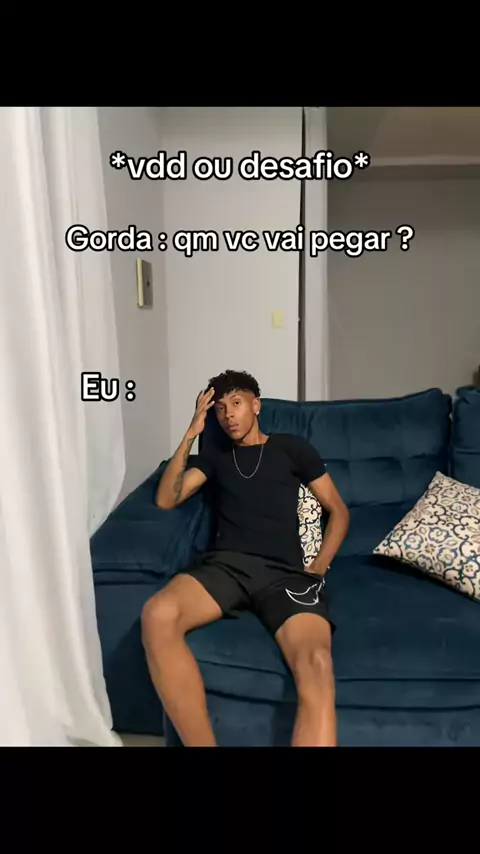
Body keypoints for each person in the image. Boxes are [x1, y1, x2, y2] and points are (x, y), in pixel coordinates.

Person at [142, 370, 350, 747]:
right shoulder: (215, 457)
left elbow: (338, 510)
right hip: (226, 568)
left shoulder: (291, 448)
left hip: (285, 575)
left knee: (317, 663)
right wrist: (190, 434)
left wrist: (319, 566)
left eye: (236, 404)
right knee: (158, 615)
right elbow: (167, 498)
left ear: (256, 405)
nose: (228, 415)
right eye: (220, 409)